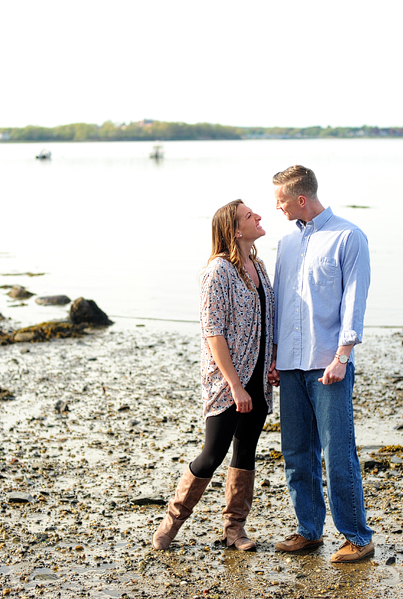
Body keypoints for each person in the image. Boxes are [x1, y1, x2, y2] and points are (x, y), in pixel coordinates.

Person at [152, 199, 276, 552]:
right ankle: (171, 523)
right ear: (235, 230)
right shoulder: (217, 272)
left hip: (259, 376)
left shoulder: (259, 266)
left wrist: (274, 359)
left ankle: (234, 529)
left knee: (246, 451)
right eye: (250, 216)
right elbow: (213, 332)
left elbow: (268, 319)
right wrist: (235, 385)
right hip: (227, 382)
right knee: (213, 452)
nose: (258, 216)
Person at [269, 165, 375, 563]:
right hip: (291, 366)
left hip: (329, 364)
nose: (275, 208)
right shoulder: (286, 243)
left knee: (338, 452)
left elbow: (354, 300)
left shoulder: (348, 236)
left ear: (300, 199)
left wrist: (342, 356)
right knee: (296, 452)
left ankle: (357, 536)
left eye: (280, 201)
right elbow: (280, 300)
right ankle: (309, 531)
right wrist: (275, 356)